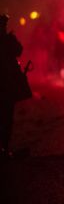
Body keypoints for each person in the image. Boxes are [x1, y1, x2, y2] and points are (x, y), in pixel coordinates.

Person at [0, 14, 24, 158]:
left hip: (7, 84)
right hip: (6, 84)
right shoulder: (8, 39)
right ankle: (4, 147)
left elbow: (19, 51)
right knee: (7, 118)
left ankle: (4, 147)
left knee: (7, 118)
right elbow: (19, 50)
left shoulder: (9, 39)